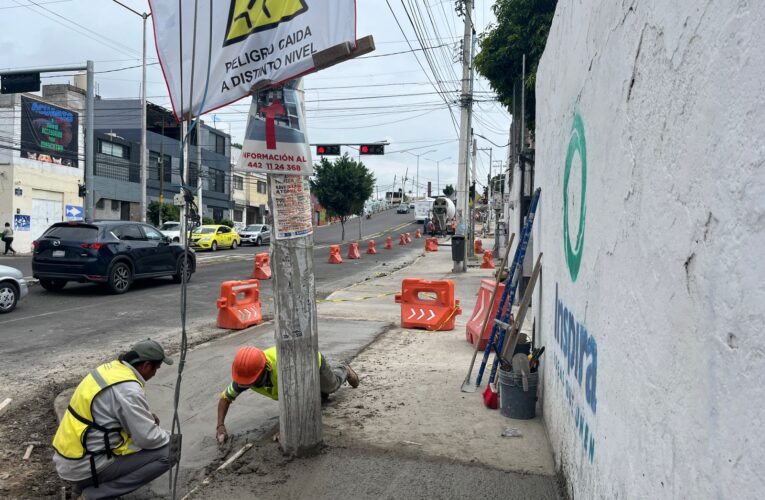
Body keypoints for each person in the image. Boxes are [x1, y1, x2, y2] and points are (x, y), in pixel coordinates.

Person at [52, 339, 176, 500]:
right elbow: (148, 438)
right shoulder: (128, 390)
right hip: (85, 467)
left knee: (148, 431)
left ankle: (89, 485)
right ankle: (95, 494)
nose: (155, 373)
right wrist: (168, 435)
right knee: (172, 450)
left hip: (70, 457)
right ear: (145, 365)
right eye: (156, 368)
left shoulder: (109, 370)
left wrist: (144, 416)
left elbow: (107, 408)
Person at [216, 346, 359, 443]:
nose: (248, 386)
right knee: (319, 399)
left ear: (266, 369)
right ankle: (320, 392)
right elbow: (225, 398)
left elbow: (297, 400)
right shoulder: (246, 375)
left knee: (331, 387)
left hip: (311, 361)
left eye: (253, 381)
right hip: (298, 374)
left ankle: (344, 370)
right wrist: (220, 426)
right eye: (245, 383)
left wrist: (286, 429)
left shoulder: (284, 371)